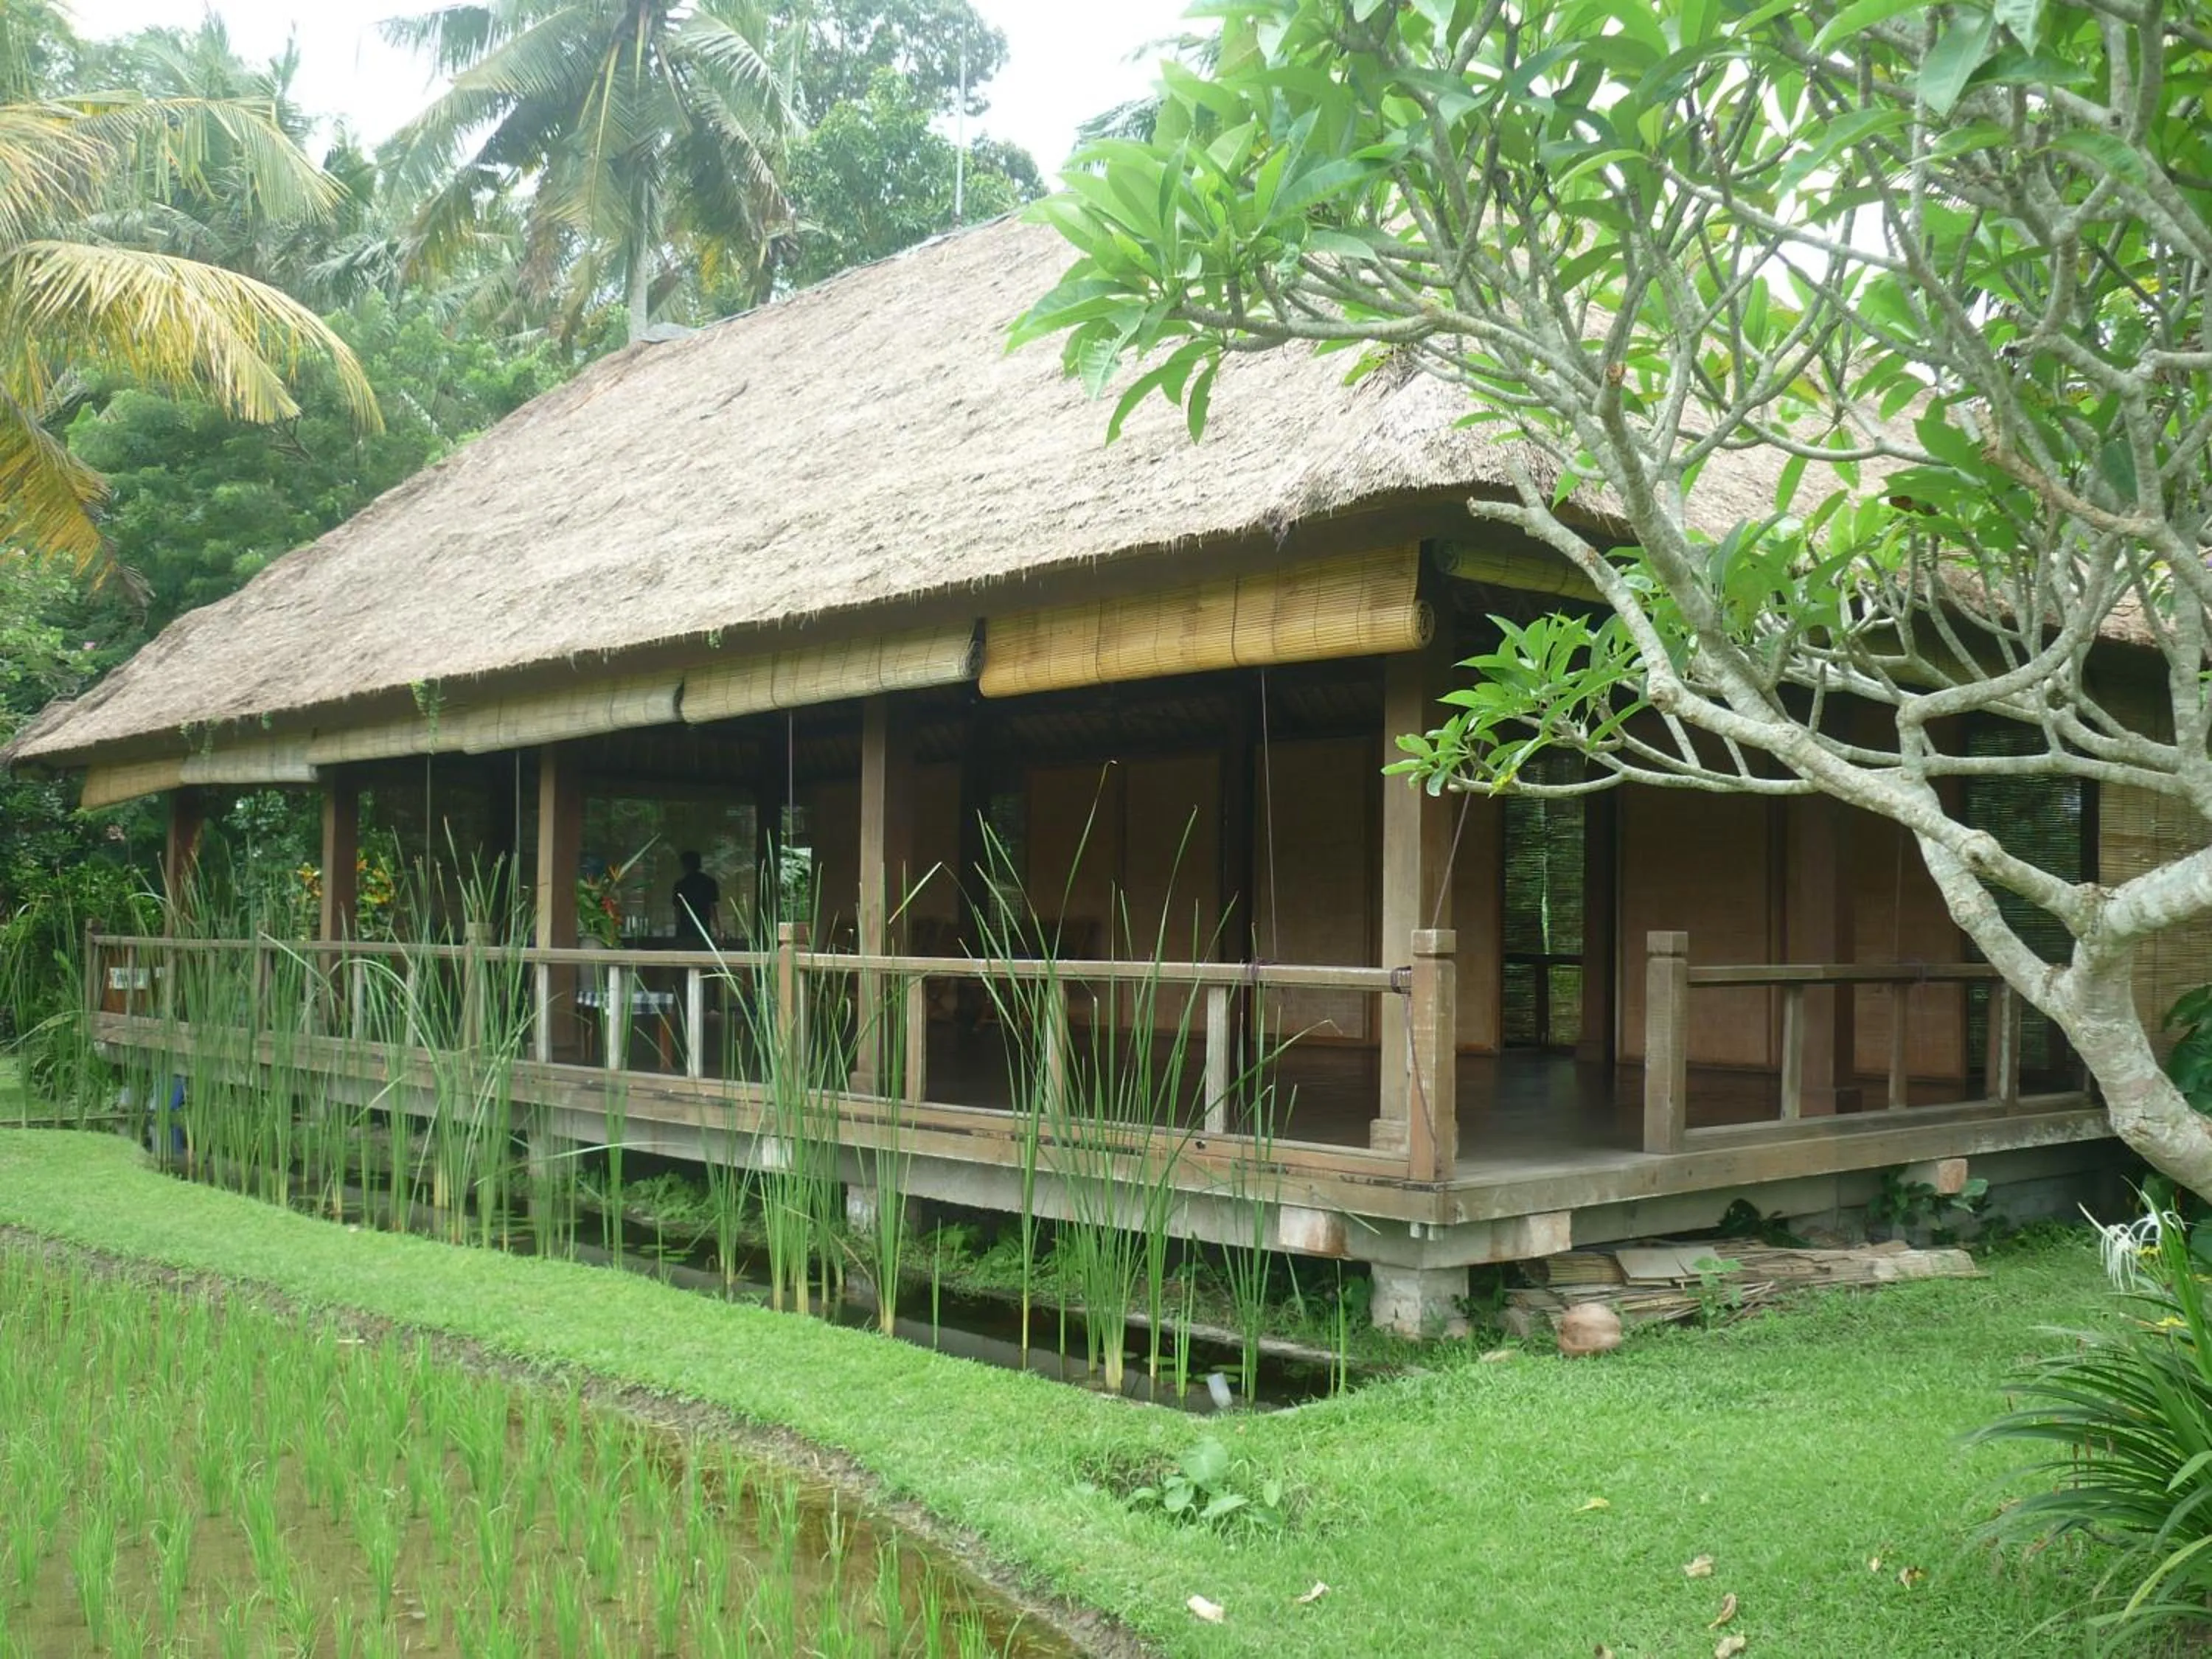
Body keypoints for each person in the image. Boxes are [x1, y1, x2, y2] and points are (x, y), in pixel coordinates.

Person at [672, 850, 720, 950]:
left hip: (685, 931)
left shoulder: (680, 885)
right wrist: (717, 929)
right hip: (703, 929)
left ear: (684, 865)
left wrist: (678, 930)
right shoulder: (709, 883)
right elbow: (712, 908)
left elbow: (677, 911)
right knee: (702, 959)